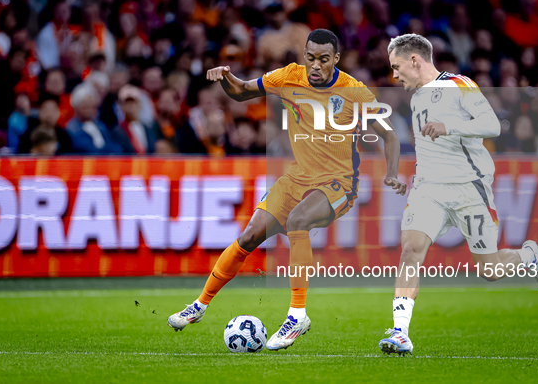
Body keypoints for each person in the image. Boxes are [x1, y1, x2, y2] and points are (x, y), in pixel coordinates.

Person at [167, 29, 406, 350]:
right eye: (310, 58)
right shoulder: (289, 76)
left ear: (336, 59)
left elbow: (389, 135)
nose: (316, 65)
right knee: (249, 236)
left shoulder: (354, 91)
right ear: (303, 55)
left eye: (323, 59)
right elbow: (240, 92)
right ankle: (199, 305)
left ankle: (297, 315)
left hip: (339, 181)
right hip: (297, 178)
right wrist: (225, 76)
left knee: (297, 222)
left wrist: (392, 173)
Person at [379, 34, 538, 356]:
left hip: (468, 189)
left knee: (489, 270)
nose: (394, 75)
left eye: (397, 67)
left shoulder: (460, 84)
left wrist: (449, 126)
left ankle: (529, 256)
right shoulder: (417, 97)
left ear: (415, 60)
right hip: (428, 188)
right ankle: (400, 332)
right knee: (410, 250)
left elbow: (493, 125)